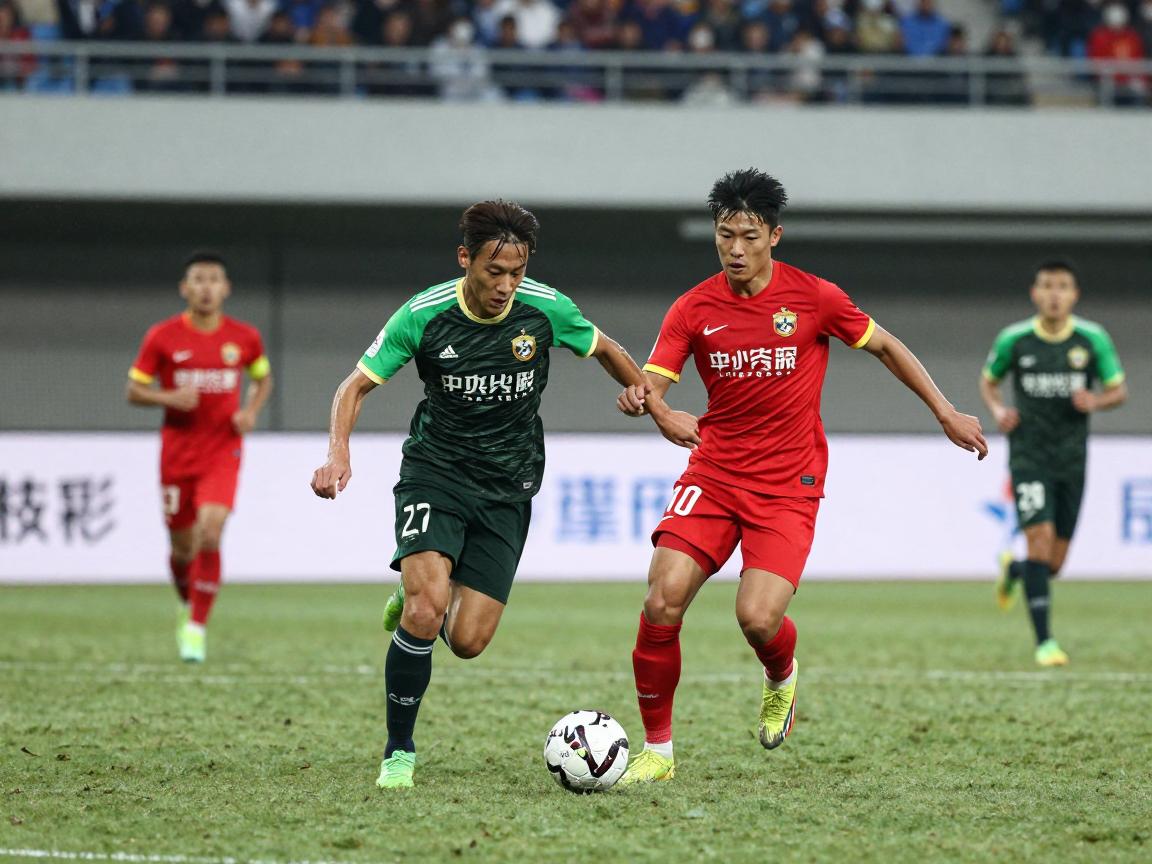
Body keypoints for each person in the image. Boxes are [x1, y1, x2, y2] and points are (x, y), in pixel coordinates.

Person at [614, 168, 988, 784]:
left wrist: (945, 411)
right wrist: (647, 403)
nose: (736, 249)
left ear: (774, 236)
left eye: (749, 236)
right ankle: (658, 752)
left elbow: (887, 346)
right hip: (714, 471)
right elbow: (653, 381)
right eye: (725, 235)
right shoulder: (692, 307)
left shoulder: (815, 298)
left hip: (789, 482)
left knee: (757, 618)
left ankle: (780, 673)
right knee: (661, 599)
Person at [309, 200, 647, 790]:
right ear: (465, 258)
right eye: (494, 271)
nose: (506, 286)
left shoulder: (547, 308)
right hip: (435, 472)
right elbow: (354, 386)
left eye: (517, 272)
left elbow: (606, 349)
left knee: (467, 641)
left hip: (508, 486)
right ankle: (399, 750)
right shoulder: (424, 315)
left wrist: (646, 396)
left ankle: (417, 588)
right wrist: (338, 452)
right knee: (425, 610)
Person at [127, 252, 273, 663]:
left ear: (225, 288)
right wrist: (167, 397)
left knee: (210, 532)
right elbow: (134, 390)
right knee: (182, 550)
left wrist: (250, 411)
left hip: (223, 449)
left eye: (213, 280)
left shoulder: (244, 337)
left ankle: (196, 627)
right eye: (198, 279)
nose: (206, 287)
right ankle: (186, 602)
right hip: (178, 452)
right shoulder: (162, 337)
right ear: (185, 288)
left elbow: (262, 378)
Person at [980, 260, 1126, 667]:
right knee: (1039, 542)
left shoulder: (1091, 339)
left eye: (1062, 286)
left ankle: (1015, 571)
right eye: (1047, 286)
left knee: (1053, 563)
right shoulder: (1015, 340)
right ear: (1035, 293)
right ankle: (1045, 643)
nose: (1055, 294)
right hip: (1029, 456)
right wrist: (998, 410)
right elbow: (989, 380)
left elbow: (1118, 390)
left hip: (1071, 459)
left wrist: (1096, 400)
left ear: (1074, 295)